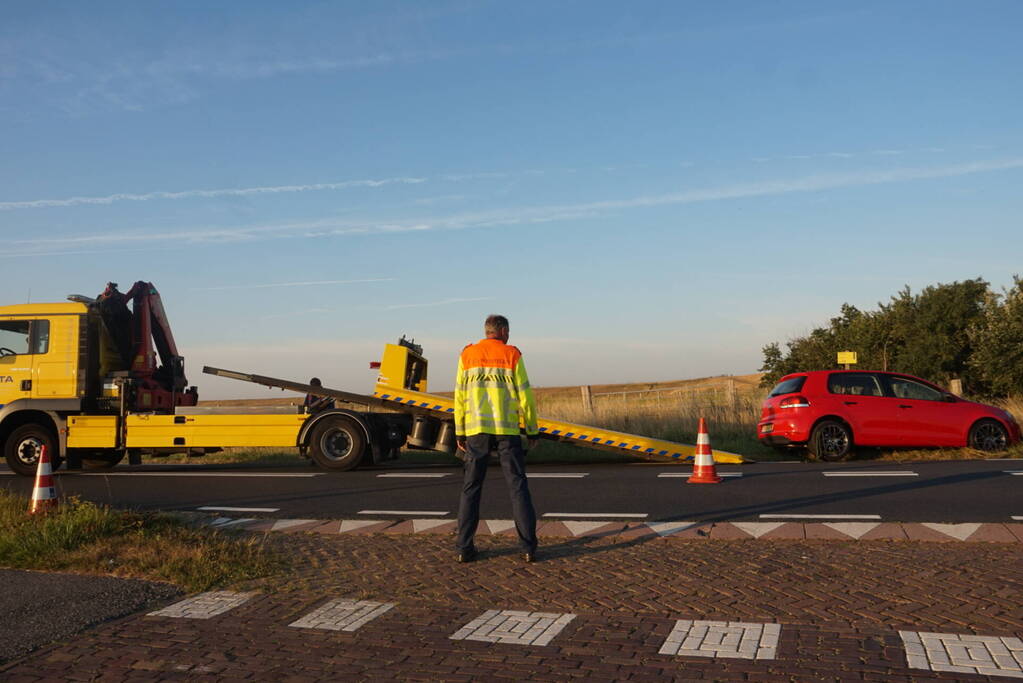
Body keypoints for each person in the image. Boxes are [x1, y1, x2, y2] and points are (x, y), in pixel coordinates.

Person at [453, 314, 540, 563]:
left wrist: (460, 430)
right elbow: (526, 396)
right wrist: (532, 430)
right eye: (508, 332)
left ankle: (464, 548)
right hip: (507, 431)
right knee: (517, 486)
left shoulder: (467, 355)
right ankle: (528, 547)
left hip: (476, 430)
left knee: (471, 488)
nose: (509, 336)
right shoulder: (512, 354)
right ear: (502, 331)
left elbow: (459, 396)